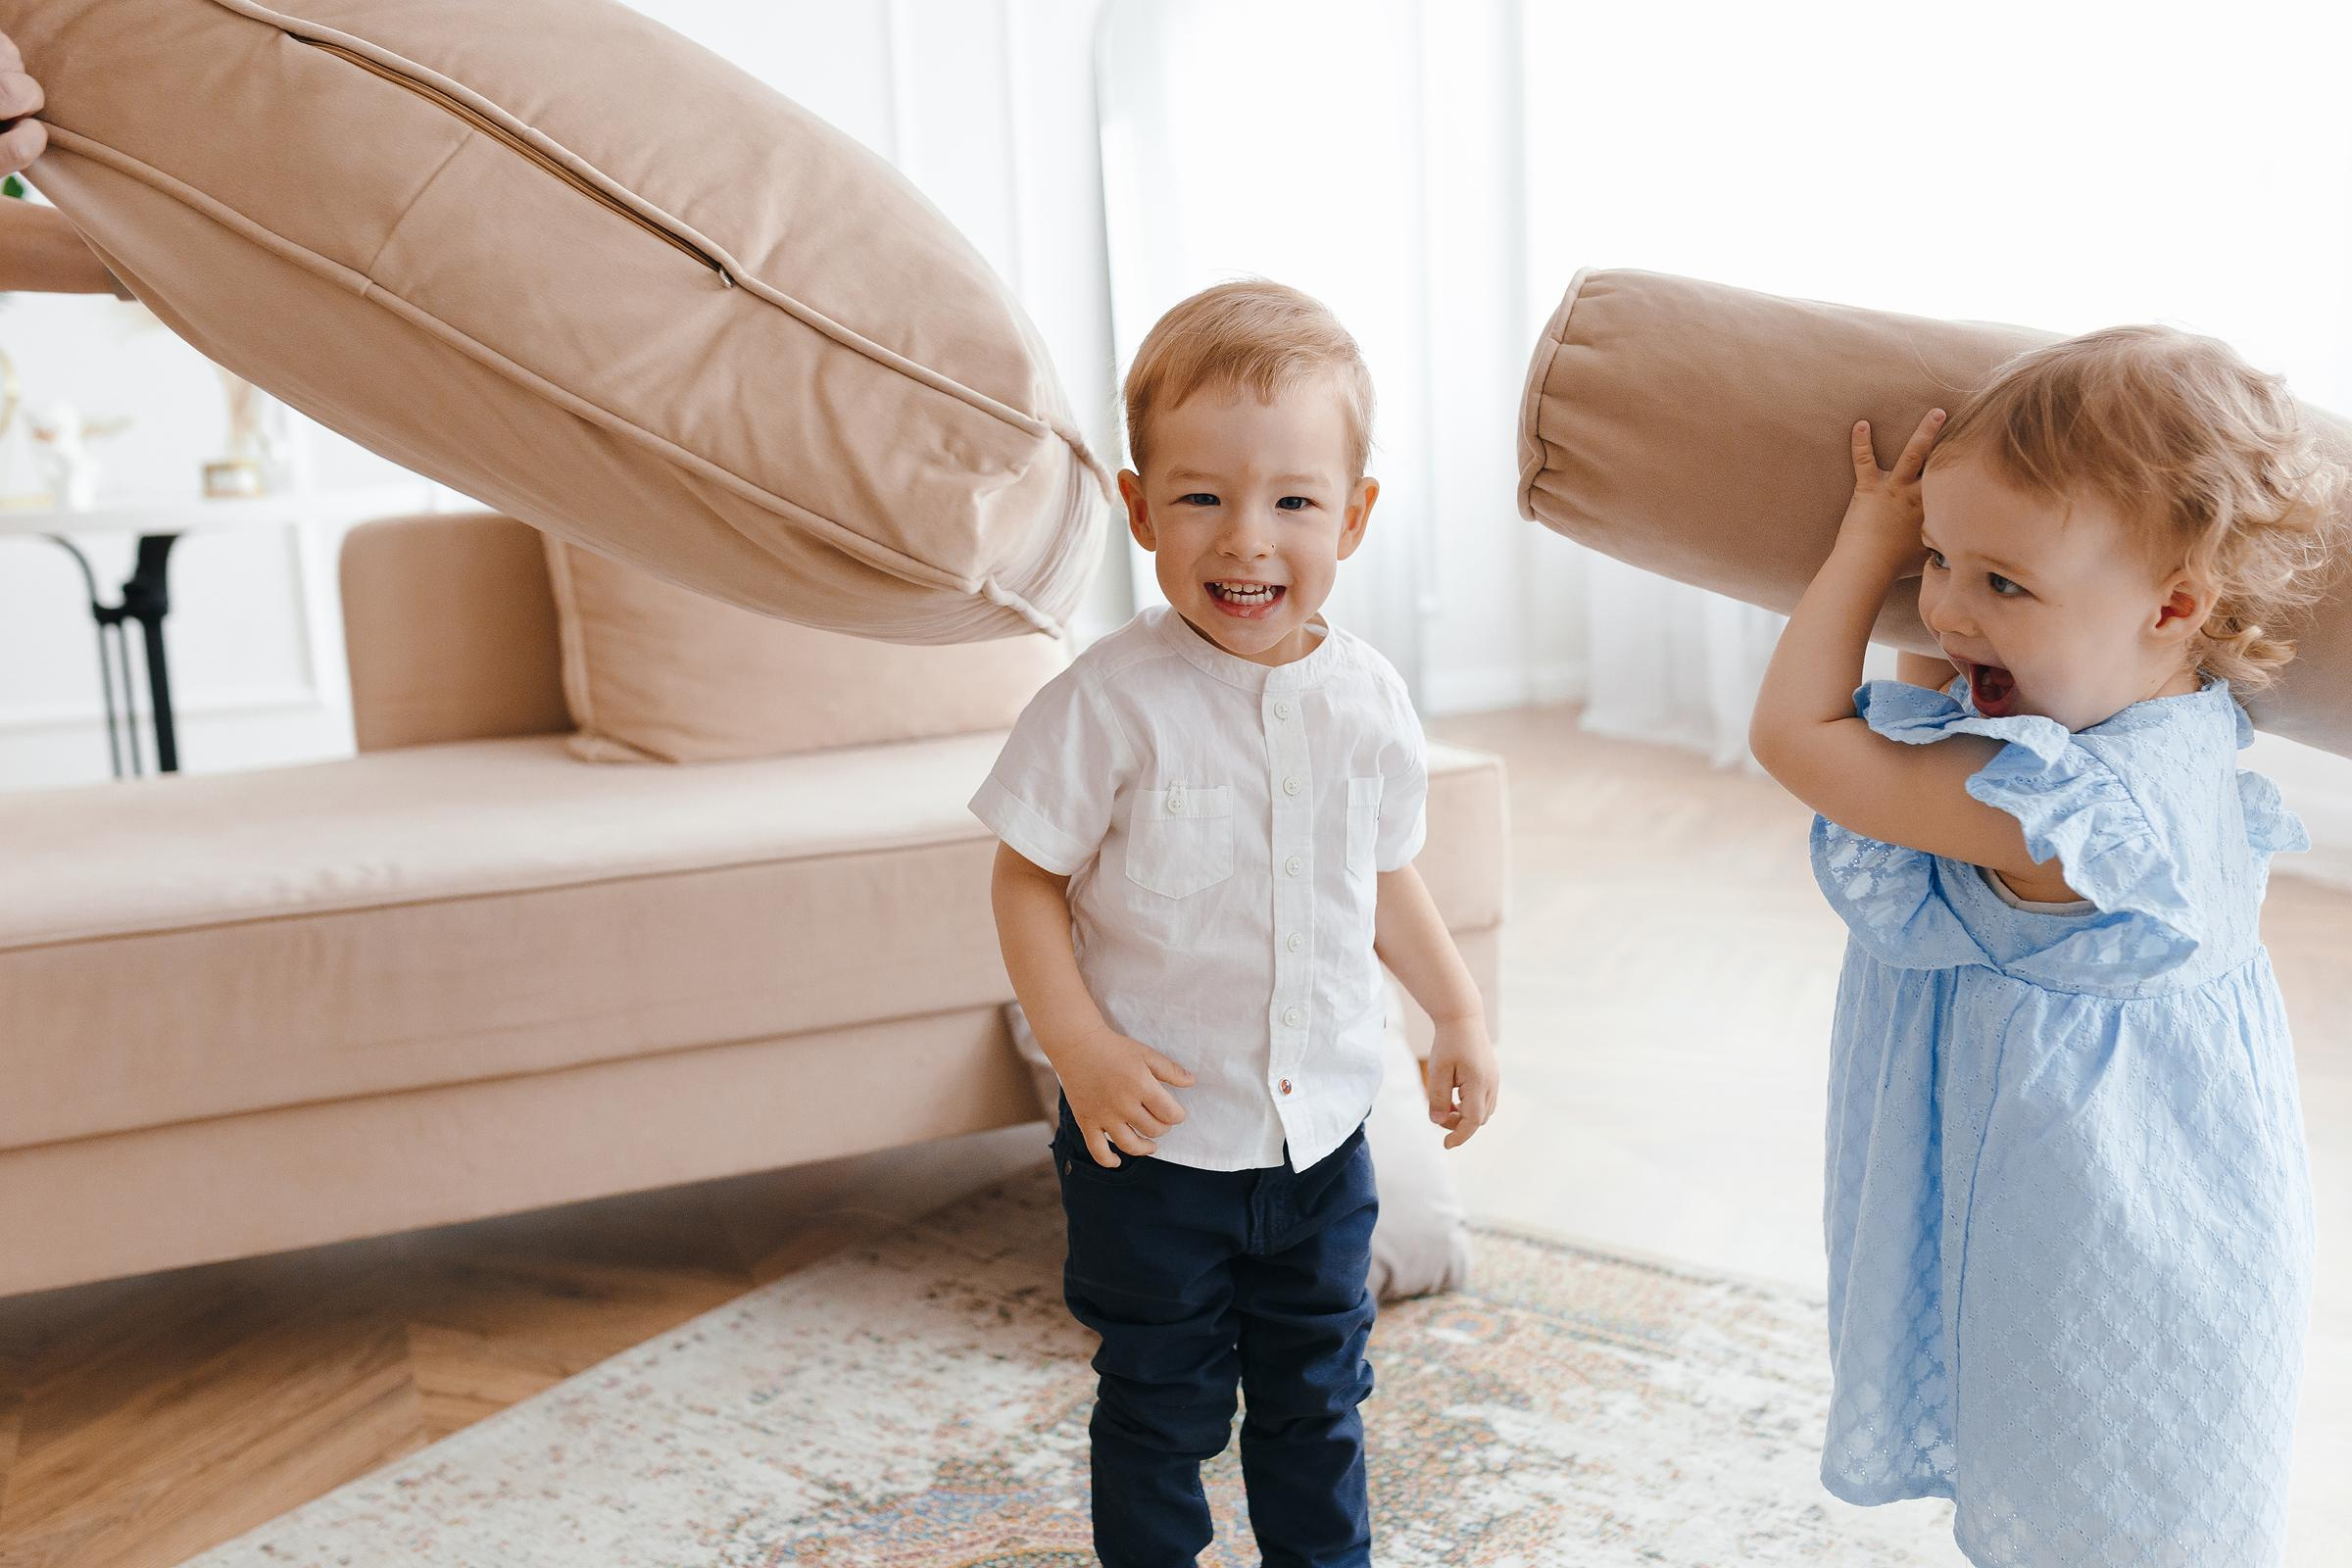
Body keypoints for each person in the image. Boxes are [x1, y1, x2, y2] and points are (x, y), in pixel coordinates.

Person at [1749, 326, 2340, 1565]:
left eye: (2001, 585)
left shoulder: (2063, 828)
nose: (1951, 609)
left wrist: (1867, 546)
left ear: (2175, 602)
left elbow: (1802, 732)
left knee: (2083, 1488)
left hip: (2084, 1231)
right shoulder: (2172, 715)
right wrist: (1969, 588)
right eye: (1934, 563)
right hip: (2167, 1206)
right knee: (2126, 1495)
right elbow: (1950, 700)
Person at [972, 279, 1498, 1567]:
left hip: (1322, 1142)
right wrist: (1081, 1048)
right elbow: (1024, 878)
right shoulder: (1110, 703)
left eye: (1294, 502)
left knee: (1318, 1408)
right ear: (1142, 508)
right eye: (1200, 498)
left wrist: (1458, 1012)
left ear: (1354, 517)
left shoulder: (1368, 702)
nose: (1245, 540)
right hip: (1152, 1153)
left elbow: (1382, 877)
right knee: (1162, 1408)